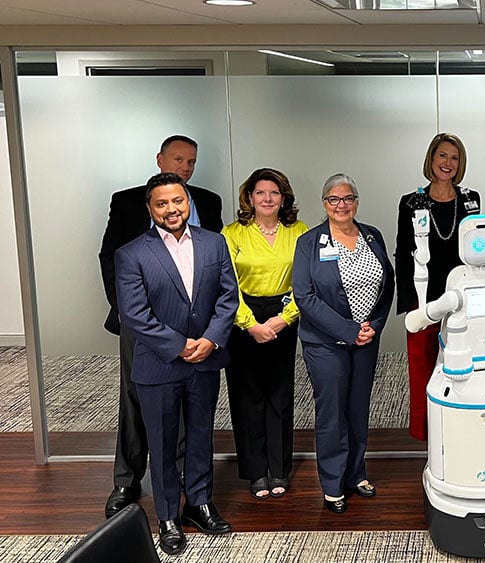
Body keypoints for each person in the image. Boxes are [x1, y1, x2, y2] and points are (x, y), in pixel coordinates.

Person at [98, 134, 223, 519]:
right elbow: (110, 256)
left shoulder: (210, 201)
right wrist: (124, 310)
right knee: (137, 404)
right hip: (145, 327)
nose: (184, 168)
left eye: (191, 162)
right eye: (178, 159)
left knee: (193, 410)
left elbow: (216, 271)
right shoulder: (128, 200)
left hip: (200, 331)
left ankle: (191, 486)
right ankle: (127, 479)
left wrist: (208, 335)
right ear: (159, 159)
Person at [115, 172, 238, 555]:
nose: (172, 209)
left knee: (201, 436)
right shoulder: (131, 253)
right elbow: (134, 315)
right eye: (162, 203)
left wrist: (210, 339)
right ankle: (168, 516)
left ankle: (199, 504)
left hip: (205, 358)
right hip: (159, 364)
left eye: (178, 201)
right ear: (151, 208)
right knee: (164, 444)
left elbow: (227, 297)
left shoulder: (214, 243)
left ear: (188, 202)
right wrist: (180, 345)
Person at [292, 174, 394, 515]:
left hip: (366, 340)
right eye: (334, 199)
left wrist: (373, 327)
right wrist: (349, 330)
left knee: (357, 408)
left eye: (348, 198)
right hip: (325, 342)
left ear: (356, 202)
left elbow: (387, 284)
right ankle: (333, 484)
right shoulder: (310, 242)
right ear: (324, 204)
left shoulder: (371, 235)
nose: (341, 205)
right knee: (332, 412)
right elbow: (305, 297)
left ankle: (356, 474)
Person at [222, 168, 309, 500]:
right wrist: (250, 324)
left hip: (284, 316)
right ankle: (256, 471)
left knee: (280, 393)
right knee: (248, 396)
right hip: (243, 318)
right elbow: (226, 284)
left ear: (284, 197)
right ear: (249, 198)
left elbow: (304, 281)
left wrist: (282, 319)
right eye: (261, 193)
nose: (268, 198)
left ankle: (280, 469)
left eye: (275, 193)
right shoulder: (232, 233)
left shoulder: (298, 231)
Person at [394, 133, 481, 441]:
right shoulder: (411, 202)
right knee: (422, 372)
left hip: (460, 301)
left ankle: (459, 430)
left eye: (454, 158)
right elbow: (403, 252)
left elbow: (477, 252)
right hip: (423, 301)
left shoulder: (471, 200)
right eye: (442, 156)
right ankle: (428, 436)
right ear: (431, 159)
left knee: (460, 370)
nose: (448, 163)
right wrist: (409, 304)